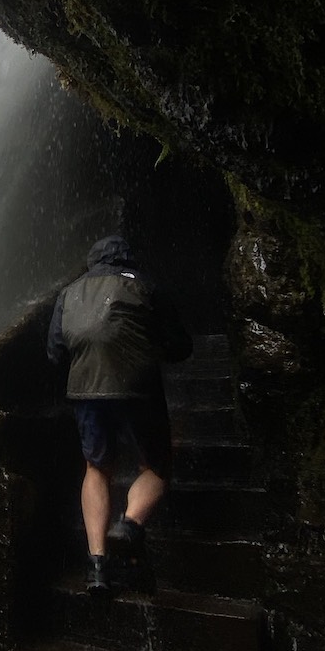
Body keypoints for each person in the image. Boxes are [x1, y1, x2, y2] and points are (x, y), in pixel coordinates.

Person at [47, 234, 193, 594]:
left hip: (84, 391)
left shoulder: (68, 293)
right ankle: (128, 526)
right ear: (128, 259)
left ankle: (97, 567)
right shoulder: (144, 285)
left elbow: (54, 352)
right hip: (136, 387)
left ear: (92, 262)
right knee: (157, 466)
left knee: (96, 468)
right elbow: (179, 345)